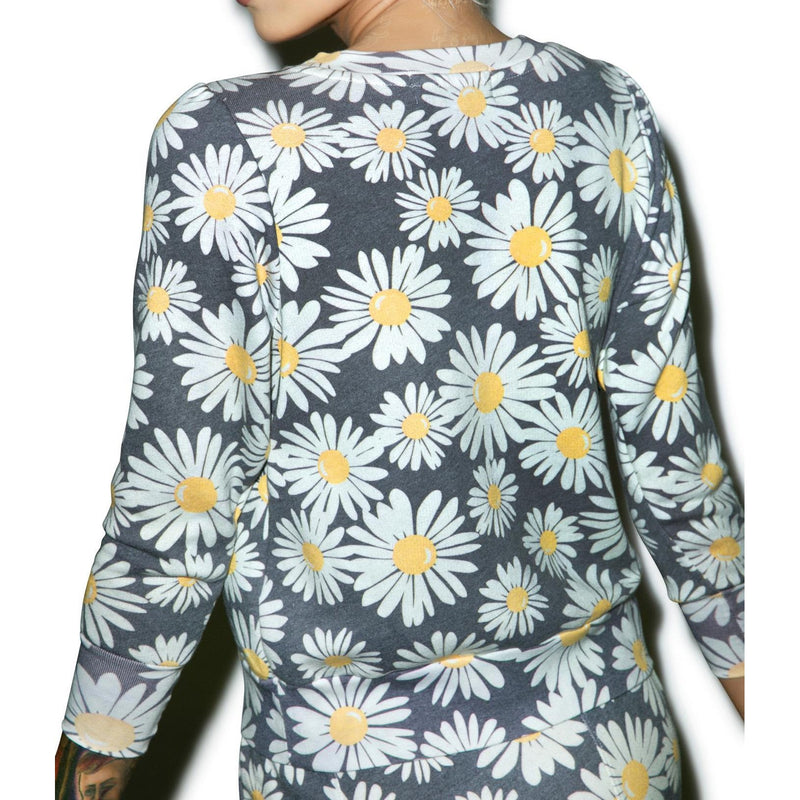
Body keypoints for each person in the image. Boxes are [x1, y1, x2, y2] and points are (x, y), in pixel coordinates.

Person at [55, 0, 744, 797]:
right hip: (603, 749)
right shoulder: (604, 105)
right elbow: (677, 462)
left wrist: (99, 744)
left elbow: (180, 490)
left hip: (337, 763)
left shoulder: (225, 137)